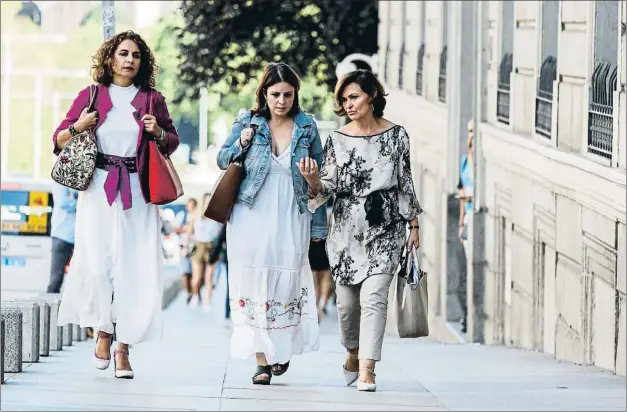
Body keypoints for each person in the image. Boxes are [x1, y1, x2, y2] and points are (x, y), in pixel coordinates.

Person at [53, 30, 180, 379]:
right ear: (110, 58)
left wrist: (158, 132)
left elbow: (172, 142)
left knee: (134, 269)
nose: (129, 60)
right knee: (97, 265)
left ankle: (123, 347)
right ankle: (102, 330)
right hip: (97, 190)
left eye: (136, 55)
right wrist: (79, 125)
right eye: (123, 53)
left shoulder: (153, 99)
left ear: (142, 62)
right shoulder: (92, 95)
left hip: (139, 192)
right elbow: (59, 138)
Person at [299, 69, 423, 392]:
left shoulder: (397, 136)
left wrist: (413, 223)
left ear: (372, 96)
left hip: (385, 230)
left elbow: (405, 182)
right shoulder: (337, 140)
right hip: (345, 235)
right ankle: (352, 351)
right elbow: (326, 186)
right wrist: (313, 182)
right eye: (344, 99)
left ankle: (368, 368)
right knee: (346, 306)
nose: (348, 104)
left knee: (374, 300)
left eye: (354, 97)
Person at [217, 62, 326, 385]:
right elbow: (223, 159)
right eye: (275, 94)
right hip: (251, 211)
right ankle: (261, 360)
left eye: (288, 94)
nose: (281, 101)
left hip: (292, 210)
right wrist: (242, 143)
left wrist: (313, 179)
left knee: (288, 280)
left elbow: (321, 180)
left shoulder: (307, 127)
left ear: (296, 95)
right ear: (264, 94)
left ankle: (283, 348)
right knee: (253, 281)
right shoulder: (248, 122)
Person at [186, 193, 223, 311]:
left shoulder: (216, 215)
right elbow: (189, 232)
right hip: (198, 245)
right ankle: (195, 295)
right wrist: (185, 247)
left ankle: (208, 302)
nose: (208, 203)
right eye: (206, 200)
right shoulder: (195, 216)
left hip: (212, 247)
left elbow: (220, 233)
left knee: (209, 276)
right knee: (197, 277)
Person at [457, 120, 474, 334]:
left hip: (477, 217)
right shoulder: (464, 162)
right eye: (469, 131)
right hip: (467, 217)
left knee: (472, 271)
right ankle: (465, 314)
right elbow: (461, 195)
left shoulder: (481, 163)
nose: (472, 136)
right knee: (465, 270)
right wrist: (460, 224)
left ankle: (469, 315)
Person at [46, 182, 78, 294]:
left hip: (78, 237)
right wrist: (81, 202)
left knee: (80, 278)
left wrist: (74, 198)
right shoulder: (61, 179)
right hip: (62, 235)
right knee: (56, 279)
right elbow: (62, 202)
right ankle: (50, 310)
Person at [176, 198, 198, 304]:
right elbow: (175, 228)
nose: (189, 207)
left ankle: (195, 293)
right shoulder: (182, 216)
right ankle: (189, 293)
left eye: (191, 205)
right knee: (185, 272)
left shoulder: (197, 217)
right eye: (188, 205)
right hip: (184, 247)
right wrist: (186, 229)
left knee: (195, 273)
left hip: (194, 248)